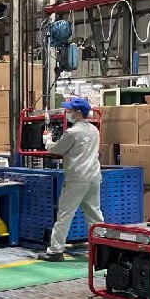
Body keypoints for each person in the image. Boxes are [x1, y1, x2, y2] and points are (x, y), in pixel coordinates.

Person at [38, 97, 103, 262]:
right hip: (94, 176)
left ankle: (55, 251)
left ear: (79, 112)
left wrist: (48, 140)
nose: (69, 113)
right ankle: (101, 250)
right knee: (94, 214)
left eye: (71, 110)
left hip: (77, 178)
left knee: (65, 215)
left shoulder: (72, 132)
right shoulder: (94, 130)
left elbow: (57, 149)